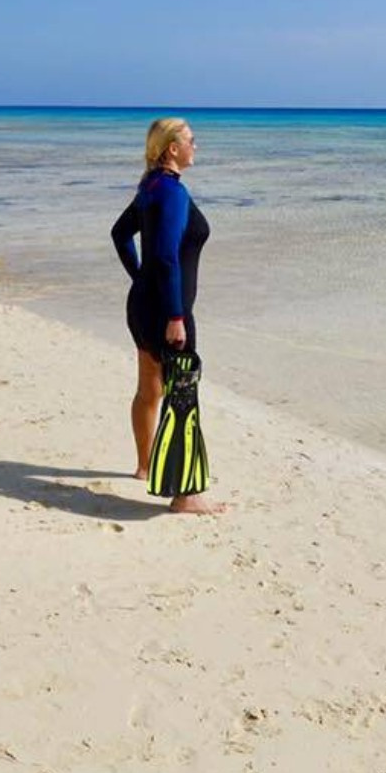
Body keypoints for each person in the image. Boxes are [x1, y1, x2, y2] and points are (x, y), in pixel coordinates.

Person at [111, 117, 226, 514]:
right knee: (182, 397)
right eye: (192, 140)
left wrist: (140, 280)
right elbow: (164, 255)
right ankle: (185, 496)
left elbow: (120, 234)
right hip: (167, 312)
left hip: (143, 305)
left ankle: (145, 466)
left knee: (150, 389)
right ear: (172, 149)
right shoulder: (171, 192)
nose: (197, 145)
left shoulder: (151, 186)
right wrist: (175, 314)